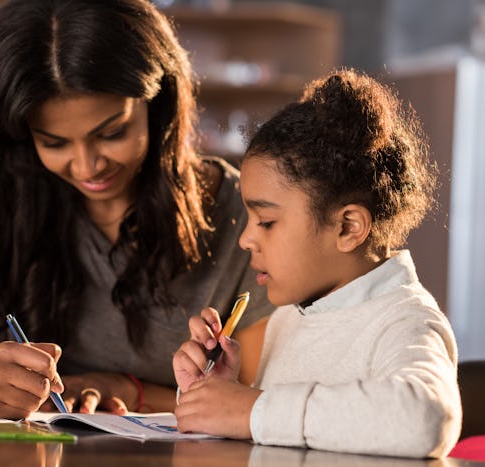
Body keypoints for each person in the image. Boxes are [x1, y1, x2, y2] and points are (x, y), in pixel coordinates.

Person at [0, 0, 273, 420]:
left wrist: (127, 388)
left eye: (111, 132)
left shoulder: (241, 214)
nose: (87, 166)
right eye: (53, 143)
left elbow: (253, 400)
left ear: (158, 108)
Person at [172, 68, 462, 458]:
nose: (245, 239)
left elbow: (427, 418)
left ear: (347, 227)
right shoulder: (289, 318)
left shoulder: (404, 320)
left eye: (267, 222)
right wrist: (217, 393)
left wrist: (253, 409)